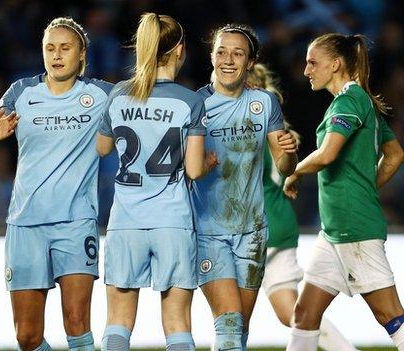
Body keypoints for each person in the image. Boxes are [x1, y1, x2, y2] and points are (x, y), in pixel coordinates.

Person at [0, 17, 113, 351]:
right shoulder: (21, 92)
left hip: (76, 223)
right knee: (27, 337)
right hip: (26, 223)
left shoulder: (101, 94)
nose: (57, 55)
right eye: (50, 48)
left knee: (77, 324)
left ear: (82, 55)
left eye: (66, 48)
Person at [96, 13, 214, 351]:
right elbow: (193, 171)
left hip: (126, 221)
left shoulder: (119, 94)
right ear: (179, 50)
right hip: (172, 222)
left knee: (117, 321)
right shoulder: (190, 101)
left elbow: (102, 148)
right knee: (177, 323)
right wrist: (206, 162)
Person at [283, 33, 404, 351]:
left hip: (354, 228)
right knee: (305, 314)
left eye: (312, 62)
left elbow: (327, 153)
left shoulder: (350, 101)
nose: (306, 70)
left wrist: (294, 172)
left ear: (335, 64)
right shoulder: (361, 101)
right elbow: (395, 155)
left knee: (390, 316)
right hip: (334, 232)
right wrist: (366, 187)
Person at [193, 23, 298, 350]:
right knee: (229, 322)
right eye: (221, 51)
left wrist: (289, 155)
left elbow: (283, 165)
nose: (228, 59)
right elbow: (182, 169)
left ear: (250, 62)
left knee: (238, 330)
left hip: (253, 234)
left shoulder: (264, 103)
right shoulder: (194, 105)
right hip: (210, 231)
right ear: (211, 56)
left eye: (237, 53)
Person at [247, 63, 358, 351]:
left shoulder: (251, 133)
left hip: (256, 230)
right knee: (292, 314)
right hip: (276, 227)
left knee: (230, 316)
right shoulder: (280, 134)